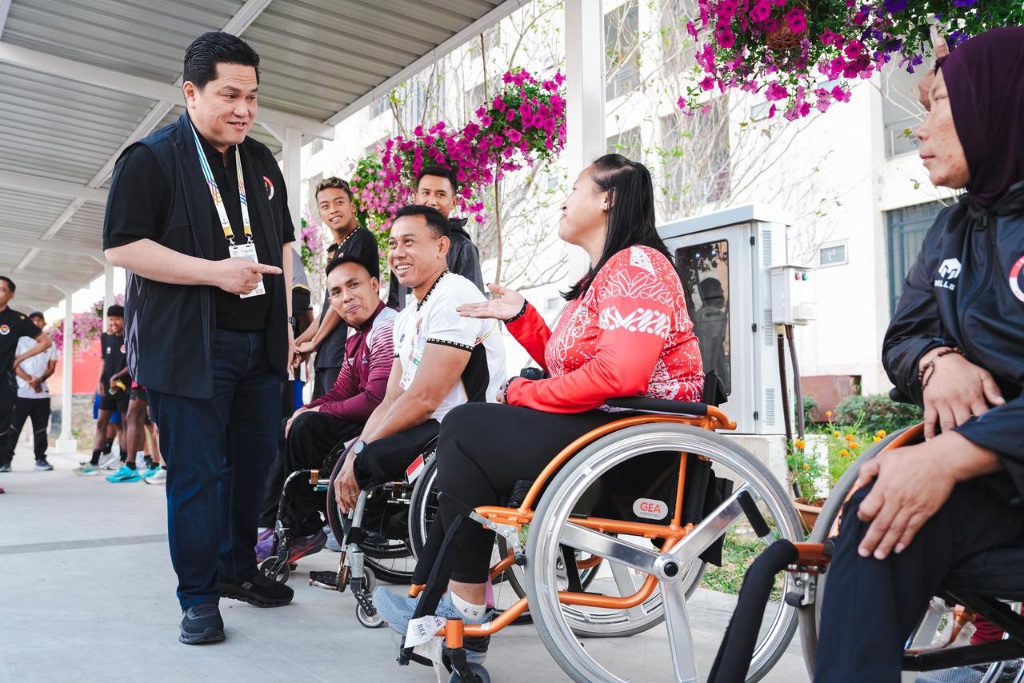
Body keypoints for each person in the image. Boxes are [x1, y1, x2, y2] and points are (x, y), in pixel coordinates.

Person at [372, 155, 705, 653]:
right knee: (466, 435)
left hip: (629, 442)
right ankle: (447, 604)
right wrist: (523, 317)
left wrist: (523, 393)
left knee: (466, 426)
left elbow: (618, 375)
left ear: (607, 198)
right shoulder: (608, 272)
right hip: (604, 429)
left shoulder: (638, 264)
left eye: (574, 188)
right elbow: (573, 366)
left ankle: (457, 608)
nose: (564, 199)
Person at [814, 27, 1024, 682]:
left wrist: (944, 456)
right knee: (878, 516)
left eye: (938, 104)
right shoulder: (954, 226)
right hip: (997, 487)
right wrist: (937, 359)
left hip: (986, 458)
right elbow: (902, 336)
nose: (919, 129)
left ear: (994, 104)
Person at [103, 31, 296, 645]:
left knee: (254, 469)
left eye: (254, 96)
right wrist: (215, 272)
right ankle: (198, 597)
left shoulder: (261, 160)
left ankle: (239, 570)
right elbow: (122, 245)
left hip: (260, 348)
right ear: (191, 92)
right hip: (191, 351)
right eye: (230, 94)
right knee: (197, 474)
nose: (244, 109)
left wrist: (288, 325)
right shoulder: (151, 159)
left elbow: (284, 243)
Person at [333, 204, 506, 513]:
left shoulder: (454, 295)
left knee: (371, 458)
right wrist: (355, 449)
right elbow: (392, 399)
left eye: (409, 242)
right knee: (349, 457)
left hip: (461, 424)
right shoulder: (407, 313)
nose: (398, 252)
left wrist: (363, 451)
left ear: (441, 246)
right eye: (393, 243)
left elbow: (426, 398)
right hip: (429, 422)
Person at [257, 248, 397, 561]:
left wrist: (316, 413)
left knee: (306, 427)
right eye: (336, 292)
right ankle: (267, 525)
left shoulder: (387, 326)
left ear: (375, 285)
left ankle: (304, 526)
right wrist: (307, 407)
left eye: (354, 285)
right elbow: (341, 391)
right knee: (288, 425)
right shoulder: (355, 337)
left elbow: (375, 399)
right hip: (365, 419)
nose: (346, 297)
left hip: (388, 422)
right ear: (330, 302)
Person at [294, 177, 379, 399]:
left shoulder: (361, 239)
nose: (333, 209)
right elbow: (328, 309)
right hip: (327, 356)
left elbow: (342, 304)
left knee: (333, 426)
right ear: (320, 214)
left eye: (339, 202)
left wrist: (314, 342)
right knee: (318, 422)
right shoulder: (340, 247)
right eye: (325, 206)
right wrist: (299, 342)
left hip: (345, 354)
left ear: (352, 206)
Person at [388, 165, 485, 309]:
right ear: (416, 197)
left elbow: (473, 306)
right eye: (426, 193)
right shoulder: (400, 248)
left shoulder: (463, 247)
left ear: (454, 202)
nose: (432, 201)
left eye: (441, 194)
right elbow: (395, 302)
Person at [0, 278, 53, 475]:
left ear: (11, 295)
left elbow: (45, 342)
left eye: (2, 290)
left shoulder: (16, 320)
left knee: (3, 431)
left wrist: (20, 358)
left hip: (4, 385)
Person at [75, 305, 129, 475]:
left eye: (118, 319)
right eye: (111, 319)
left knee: (123, 426)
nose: (114, 322)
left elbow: (133, 363)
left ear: (124, 320)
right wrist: (99, 382)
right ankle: (94, 461)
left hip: (124, 388)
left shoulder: (129, 338)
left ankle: (124, 460)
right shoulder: (105, 337)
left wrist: (117, 377)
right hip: (107, 388)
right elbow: (104, 361)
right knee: (101, 423)